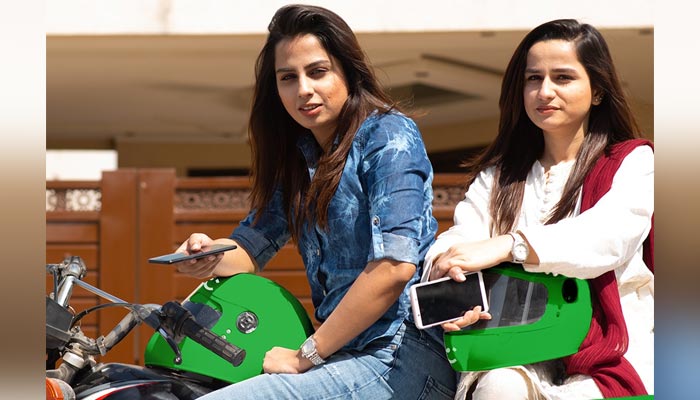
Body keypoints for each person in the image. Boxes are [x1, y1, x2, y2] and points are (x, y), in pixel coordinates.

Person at [173, 4, 459, 400]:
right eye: (288, 77)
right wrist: (205, 254)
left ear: (348, 72)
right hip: (342, 355)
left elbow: (394, 267)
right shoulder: (299, 158)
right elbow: (250, 249)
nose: (303, 89)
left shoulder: (389, 135)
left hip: (401, 354)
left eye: (318, 72)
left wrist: (305, 355)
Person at [423, 19, 653, 399]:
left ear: (597, 91)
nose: (544, 91)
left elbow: (608, 236)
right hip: (516, 343)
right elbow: (460, 238)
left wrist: (512, 245)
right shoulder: (499, 176)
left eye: (563, 78)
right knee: (499, 385)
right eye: (534, 79)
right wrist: (448, 276)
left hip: (610, 352)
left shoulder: (634, 161)